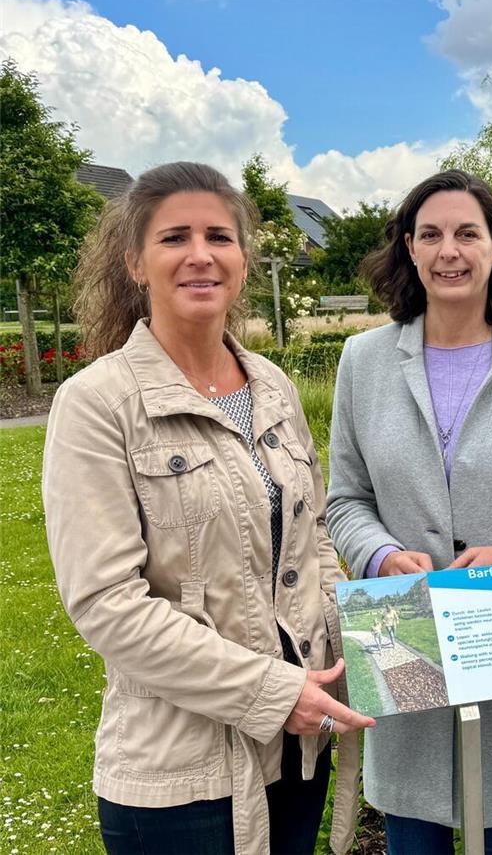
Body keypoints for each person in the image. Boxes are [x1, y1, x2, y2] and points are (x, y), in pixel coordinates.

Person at [42, 162, 374, 855]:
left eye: (219, 236)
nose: (201, 254)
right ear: (134, 260)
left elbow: (311, 541)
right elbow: (106, 601)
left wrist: (370, 645)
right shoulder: (98, 403)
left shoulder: (272, 385)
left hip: (298, 747)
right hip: (182, 775)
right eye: (174, 238)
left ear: (244, 259)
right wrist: (270, 690)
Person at [326, 169, 492, 854]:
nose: (450, 250)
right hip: (401, 622)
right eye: (432, 234)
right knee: (412, 830)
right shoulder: (362, 362)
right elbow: (345, 499)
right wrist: (380, 554)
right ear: (409, 250)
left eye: (467, 233)